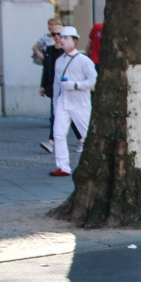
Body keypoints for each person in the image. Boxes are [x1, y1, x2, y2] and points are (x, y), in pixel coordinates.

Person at [49, 26, 95, 177]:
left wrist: (75, 85)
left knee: (86, 134)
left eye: (66, 38)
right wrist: (55, 103)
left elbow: (93, 81)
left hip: (79, 103)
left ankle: (94, 165)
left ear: (75, 41)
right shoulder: (59, 61)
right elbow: (56, 84)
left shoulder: (83, 60)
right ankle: (63, 167)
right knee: (58, 134)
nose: (61, 40)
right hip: (63, 102)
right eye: (61, 37)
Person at [37, 19, 65, 153]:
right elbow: (46, 69)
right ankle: (51, 141)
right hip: (53, 88)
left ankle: (82, 139)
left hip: (66, 89)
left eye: (59, 34)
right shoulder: (49, 50)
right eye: (53, 34)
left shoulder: (67, 53)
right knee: (55, 116)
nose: (56, 37)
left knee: (73, 119)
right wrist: (43, 85)